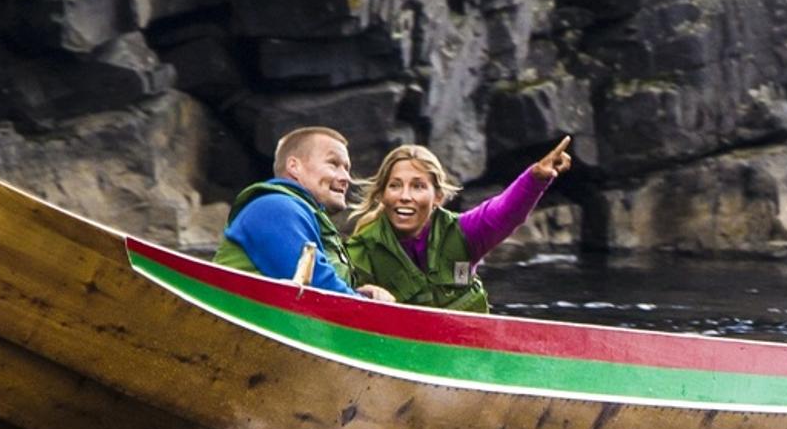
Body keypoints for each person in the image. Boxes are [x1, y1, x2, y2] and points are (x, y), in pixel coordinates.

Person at [340, 136, 575, 310]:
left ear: (438, 198)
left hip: (469, 353)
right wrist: (362, 293)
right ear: (382, 195)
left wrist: (536, 177)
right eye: (395, 185)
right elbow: (335, 291)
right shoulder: (362, 247)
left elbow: (504, 212)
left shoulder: (463, 233)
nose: (405, 196)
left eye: (418, 186)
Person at [215, 124, 360, 292]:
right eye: (333, 164)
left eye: (347, 169)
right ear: (294, 167)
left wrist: (363, 294)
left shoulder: (304, 214)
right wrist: (374, 311)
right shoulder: (275, 209)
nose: (346, 177)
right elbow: (319, 288)